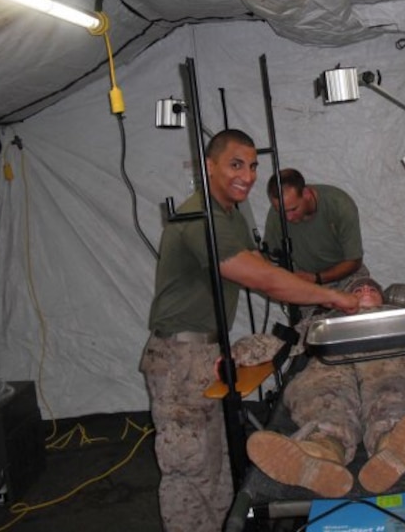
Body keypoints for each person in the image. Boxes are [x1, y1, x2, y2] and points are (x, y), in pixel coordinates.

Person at [139, 129, 359, 532]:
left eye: (253, 166)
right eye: (236, 164)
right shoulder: (200, 218)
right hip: (178, 358)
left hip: (207, 352)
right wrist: (334, 298)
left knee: (219, 463)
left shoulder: (231, 215)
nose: (248, 175)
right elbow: (262, 279)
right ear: (209, 166)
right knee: (190, 470)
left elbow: (266, 267)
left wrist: (314, 299)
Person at [245, 277, 405, 498]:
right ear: (344, 300)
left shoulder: (399, 314)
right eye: (358, 289)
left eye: (373, 289)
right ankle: (322, 452)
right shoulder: (324, 320)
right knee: (324, 396)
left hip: (388, 358)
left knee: (392, 392)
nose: (366, 290)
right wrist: (237, 355)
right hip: (332, 363)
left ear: (384, 298)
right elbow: (284, 340)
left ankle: (391, 446)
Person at [264, 168, 368, 289]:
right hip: (305, 279)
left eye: (293, 209)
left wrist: (317, 278)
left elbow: (354, 261)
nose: (288, 217)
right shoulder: (275, 216)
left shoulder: (339, 205)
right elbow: (268, 259)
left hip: (346, 274)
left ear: (306, 193)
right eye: (281, 211)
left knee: (365, 300)